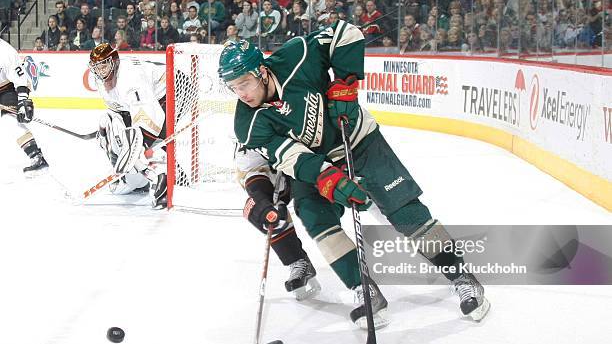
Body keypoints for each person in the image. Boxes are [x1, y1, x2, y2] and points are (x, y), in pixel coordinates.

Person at [217, 20, 491, 327]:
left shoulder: (298, 54)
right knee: (314, 215)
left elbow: (345, 32)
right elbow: (290, 157)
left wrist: (345, 82)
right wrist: (326, 178)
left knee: (404, 211)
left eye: (244, 83)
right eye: (233, 87)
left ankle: (461, 276)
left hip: (359, 140)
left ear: (262, 71)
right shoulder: (248, 123)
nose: (240, 93)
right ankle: (364, 290)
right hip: (317, 160)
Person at [89, 43, 168, 208]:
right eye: (97, 66)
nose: (101, 70)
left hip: (172, 89)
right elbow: (120, 110)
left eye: (104, 64)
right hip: (152, 97)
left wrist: (138, 145)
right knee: (108, 123)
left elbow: (149, 112)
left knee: (151, 144)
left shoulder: (130, 78)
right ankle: (134, 176)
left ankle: (163, 178)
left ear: (115, 62)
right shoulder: (101, 81)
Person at [237, 147, 321, 300]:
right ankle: (298, 262)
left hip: (300, 158)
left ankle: (374, 268)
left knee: (369, 199)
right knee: (264, 211)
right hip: (257, 165)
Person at [0, 38, 48, 173]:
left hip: (5, 89)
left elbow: (20, 80)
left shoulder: (5, 51)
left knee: (10, 121)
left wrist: (22, 101)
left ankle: (36, 156)